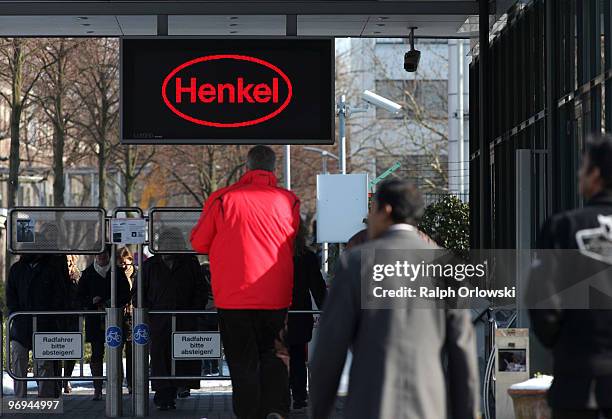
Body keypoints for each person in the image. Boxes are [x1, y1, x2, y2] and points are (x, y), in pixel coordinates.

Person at [309, 179, 479, 419]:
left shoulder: (357, 263)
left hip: (369, 406)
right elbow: (462, 351)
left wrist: (319, 411)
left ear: (386, 211)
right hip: (429, 407)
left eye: (372, 209)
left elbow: (330, 348)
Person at [190, 145, 300, 419]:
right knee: (275, 354)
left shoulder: (223, 199)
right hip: (275, 294)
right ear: (274, 168)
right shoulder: (289, 200)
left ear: (247, 167)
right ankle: (275, 409)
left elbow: (199, 242)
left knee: (242, 361)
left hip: (234, 296)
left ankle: (249, 413)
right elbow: (292, 236)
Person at [529, 135, 612, 419]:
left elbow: (542, 303)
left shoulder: (563, 227)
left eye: (583, 166)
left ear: (596, 174)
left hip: (579, 382)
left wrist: (567, 344)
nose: (578, 173)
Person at [139, 229, 206, 411]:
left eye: (172, 244)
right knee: (161, 358)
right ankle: (163, 395)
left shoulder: (189, 264)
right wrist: (147, 313)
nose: (168, 248)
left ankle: (181, 386)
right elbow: (139, 293)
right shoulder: (150, 266)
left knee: (182, 356)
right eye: (165, 244)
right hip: (159, 320)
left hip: (184, 318)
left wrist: (193, 311)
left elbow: (200, 290)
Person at [6, 253, 66, 398]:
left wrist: (49, 314)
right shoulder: (17, 269)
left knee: (44, 363)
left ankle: (45, 399)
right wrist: (16, 313)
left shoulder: (51, 270)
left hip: (44, 324)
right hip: (21, 324)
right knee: (18, 361)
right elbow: (11, 295)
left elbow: (59, 295)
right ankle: (19, 397)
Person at [78, 246, 131, 401]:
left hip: (114, 318)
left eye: (104, 253)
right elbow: (80, 296)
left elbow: (126, 294)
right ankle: (97, 388)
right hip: (95, 319)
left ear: (109, 255)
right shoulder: (87, 274)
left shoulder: (117, 272)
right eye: (98, 253)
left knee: (115, 352)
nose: (101, 256)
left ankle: (116, 385)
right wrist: (90, 301)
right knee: (96, 353)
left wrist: (112, 302)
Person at [287, 220, 327, 411]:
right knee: (297, 357)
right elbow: (317, 287)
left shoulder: (271, 255)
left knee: (276, 356)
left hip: (275, 313)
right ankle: (300, 397)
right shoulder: (307, 257)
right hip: (299, 314)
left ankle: (279, 396)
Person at [63, 254, 81, 394]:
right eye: (66, 261)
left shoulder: (77, 277)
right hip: (59, 317)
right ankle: (58, 379)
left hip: (73, 317)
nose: (68, 263)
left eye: (70, 261)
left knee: (72, 351)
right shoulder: (56, 275)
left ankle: (66, 379)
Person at [118, 246, 135, 394]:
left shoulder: (136, 274)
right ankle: (118, 380)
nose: (124, 266)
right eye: (122, 263)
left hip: (132, 317)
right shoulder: (115, 275)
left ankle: (131, 382)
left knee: (131, 351)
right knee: (117, 350)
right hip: (118, 316)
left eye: (127, 263)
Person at [200, 258, 220, 376]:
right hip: (216, 310)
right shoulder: (216, 271)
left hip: (203, 311)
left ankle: (207, 366)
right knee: (214, 338)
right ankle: (215, 365)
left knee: (204, 339)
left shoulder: (201, 272)